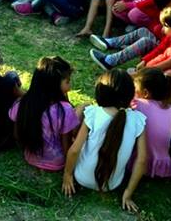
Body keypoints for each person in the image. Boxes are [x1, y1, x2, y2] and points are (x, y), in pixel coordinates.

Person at [63, 69, 147, 214]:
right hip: (112, 185)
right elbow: (142, 160)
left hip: (81, 177)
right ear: (130, 94)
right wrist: (127, 193)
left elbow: (75, 149)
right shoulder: (138, 119)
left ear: (101, 92)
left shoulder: (93, 113)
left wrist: (67, 175)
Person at [11, 56, 80, 171]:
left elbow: (17, 135)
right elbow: (66, 145)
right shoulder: (64, 110)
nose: (70, 86)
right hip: (57, 162)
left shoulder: (24, 103)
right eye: (67, 82)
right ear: (54, 86)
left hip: (30, 156)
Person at [132, 68, 171, 178]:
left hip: (139, 160)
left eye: (135, 89)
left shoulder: (138, 104)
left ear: (145, 93)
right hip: (163, 164)